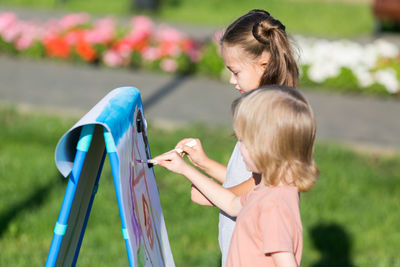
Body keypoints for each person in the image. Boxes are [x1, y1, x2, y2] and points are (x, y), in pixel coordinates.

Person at [174, 9, 300, 266]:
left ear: (263, 64)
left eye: (236, 71)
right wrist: (204, 163)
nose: (231, 80)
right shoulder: (265, 109)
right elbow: (248, 178)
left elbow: (255, 190)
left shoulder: (271, 118)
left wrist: (206, 188)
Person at [151, 87, 319, 266]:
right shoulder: (268, 187)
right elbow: (231, 205)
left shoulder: (273, 204)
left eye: (243, 141)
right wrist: (185, 169)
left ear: (268, 148)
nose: (238, 148)